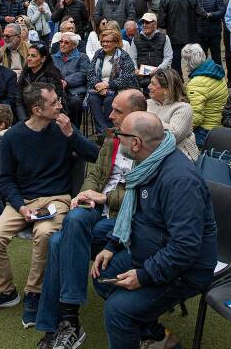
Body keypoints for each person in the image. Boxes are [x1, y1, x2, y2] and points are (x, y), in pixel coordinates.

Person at [0, 83, 100, 327]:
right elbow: (6, 179)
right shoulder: (13, 136)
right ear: (37, 110)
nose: (61, 105)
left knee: (45, 233)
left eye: (59, 100)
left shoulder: (63, 128)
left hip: (56, 198)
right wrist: (20, 207)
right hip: (22, 200)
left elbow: (95, 155)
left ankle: (35, 294)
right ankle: (4, 291)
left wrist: (72, 134)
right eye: (54, 103)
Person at [90, 111, 216, 349]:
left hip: (186, 270)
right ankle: (154, 335)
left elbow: (185, 248)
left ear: (136, 143)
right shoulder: (147, 164)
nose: (117, 138)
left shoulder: (179, 180)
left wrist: (144, 275)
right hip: (149, 252)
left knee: (117, 311)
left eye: (120, 135)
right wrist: (111, 245)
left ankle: (144, 332)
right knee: (102, 278)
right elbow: (132, 213)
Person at [34, 89, 147, 348]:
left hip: (122, 216)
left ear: (136, 115)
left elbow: (141, 196)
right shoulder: (113, 139)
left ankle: (65, 322)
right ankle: (67, 322)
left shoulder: (149, 145)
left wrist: (105, 198)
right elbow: (95, 172)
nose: (110, 115)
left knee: (57, 242)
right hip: (96, 207)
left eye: (118, 111)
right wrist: (86, 192)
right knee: (73, 219)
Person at [87, 29, 137, 132]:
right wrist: (99, 85)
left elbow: (127, 78)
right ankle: (104, 132)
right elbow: (90, 74)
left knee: (109, 100)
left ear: (116, 43)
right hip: (99, 88)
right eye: (103, 41)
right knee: (92, 98)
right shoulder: (98, 54)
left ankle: (110, 129)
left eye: (108, 41)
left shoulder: (124, 56)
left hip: (118, 88)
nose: (104, 44)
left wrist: (108, 85)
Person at [146, 67, 199, 160]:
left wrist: (146, 118)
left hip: (179, 157)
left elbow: (173, 136)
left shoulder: (183, 108)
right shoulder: (148, 103)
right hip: (153, 155)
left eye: (153, 84)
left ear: (167, 90)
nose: (148, 87)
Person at [182, 43, 228, 148]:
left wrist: (180, 129)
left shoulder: (197, 82)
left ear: (188, 62)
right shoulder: (215, 71)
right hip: (219, 122)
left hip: (206, 130)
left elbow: (196, 118)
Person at [159, 0, 206, 71]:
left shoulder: (165, 0)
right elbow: (202, 14)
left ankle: (178, 84)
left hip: (173, 38)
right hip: (191, 36)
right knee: (195, 62)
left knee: (176, 65)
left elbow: (161, 23)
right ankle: (196, 82)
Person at [53, 32, 91, 129]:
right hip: (56, 90)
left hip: (75, 91)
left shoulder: (82, 57)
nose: (62, 44)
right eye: (61, 42)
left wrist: (66, 81)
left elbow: (83, 74)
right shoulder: (53, 57)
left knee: (75, 102)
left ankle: (73, 130)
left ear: (74, 45)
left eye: (66, 42)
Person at [18, 43, 67, 115]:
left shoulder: (52, 76)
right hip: (27, 113)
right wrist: (23, 119)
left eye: (33, 56)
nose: (29, 58)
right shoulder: (25, 74)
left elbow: (55, 102)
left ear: (43, 59)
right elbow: (19, 100)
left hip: (47, 114)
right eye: (28, 55)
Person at [128, 12, 172, 90]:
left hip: (160, 76)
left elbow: (168, 58)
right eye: (143, 22)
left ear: (155, 24)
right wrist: (135, 69)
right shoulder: (136, 38)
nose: (144, 25)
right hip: (140, 77)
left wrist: (158, 69)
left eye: (147, 22)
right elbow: (132, 58)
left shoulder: (165, 38)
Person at [194, 0, 226, 64]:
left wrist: (210, 15)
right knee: (200, 60)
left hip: (214, 33)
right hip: (199, 34)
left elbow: (222, 11)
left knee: (216, 58)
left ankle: (219, 77)